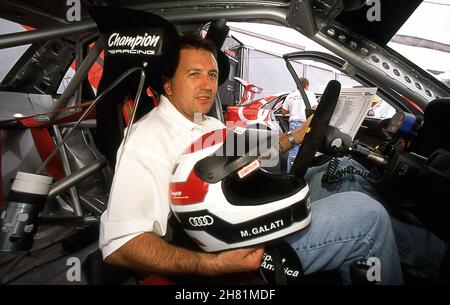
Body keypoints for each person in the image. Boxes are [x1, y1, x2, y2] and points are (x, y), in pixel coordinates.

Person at [99, 35, 403, 284]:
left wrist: (298, 136)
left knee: (345, 172)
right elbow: (121, 246)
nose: (207, 85)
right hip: (230, 245)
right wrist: (214, 265)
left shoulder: (204, 123)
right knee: (366, 215)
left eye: (212, 75)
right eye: (194, 74)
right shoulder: (148, 138)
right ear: (168, 84)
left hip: (244, 207)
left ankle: (426, 253)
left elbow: (249, 154)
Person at [280, 77, 318, 172]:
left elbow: (284, 111)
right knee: (306, 150)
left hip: (293, 126)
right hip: (306, 126)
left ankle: (290, 174)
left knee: (293, 150)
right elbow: (315, 108)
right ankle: (305, 174)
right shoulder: (310, 94)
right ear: (307, 85)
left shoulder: (290, 95)